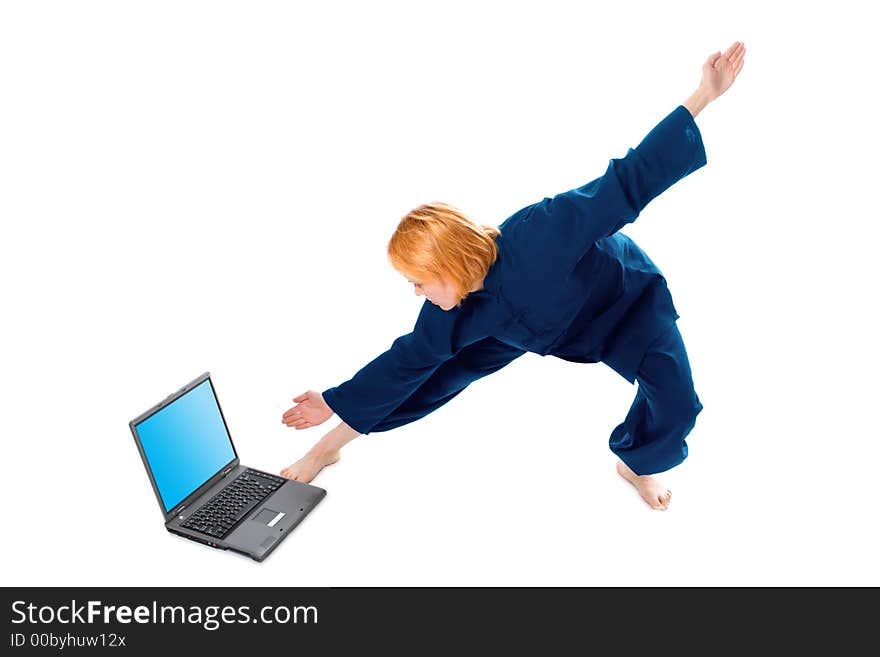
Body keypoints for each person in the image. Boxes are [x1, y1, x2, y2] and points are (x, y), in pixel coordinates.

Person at [280, 42, 746, 510]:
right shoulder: (451, 308)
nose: (418, 293)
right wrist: (334, 402)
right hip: (528, 327)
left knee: (678, 404)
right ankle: (328, 448)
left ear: (452, 266)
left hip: (621, 307)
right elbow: (402, 365)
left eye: (420, 281)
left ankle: (635, 463)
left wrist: (704, 93)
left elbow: (629, 179)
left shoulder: (543, 232)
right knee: (424, 374)